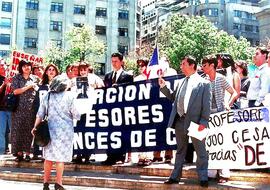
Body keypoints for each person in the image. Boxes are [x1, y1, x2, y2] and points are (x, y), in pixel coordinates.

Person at [160, 56, 211, 187]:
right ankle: (175, 176)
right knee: (180, 150)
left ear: (192, 65)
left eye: (183, 64)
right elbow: (173, 98)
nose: (181, 66)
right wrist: (164, 87)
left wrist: (204, 122)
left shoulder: (204, 83)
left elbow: (207, 105)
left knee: (200, 151)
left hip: (196, 123)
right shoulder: (180, 82)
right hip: (180, 121)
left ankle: (203, 177)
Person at [31, 75, 80, 190]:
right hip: (65, 132)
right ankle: (58, 183)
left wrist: (35, 127)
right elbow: (77, 114)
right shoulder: (70, 96)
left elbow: (40, 113)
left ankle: (45, 183)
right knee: (60, 159)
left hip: (49, 131)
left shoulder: (48, 96)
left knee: (48, 158)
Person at [201, 54, 238, 183]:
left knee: (223, 144)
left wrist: (229, 103)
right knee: (210, 144)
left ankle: (224, 173)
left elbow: (234, 92)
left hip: (221, 115)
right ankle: (211, 172)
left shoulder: (221, 78)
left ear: (212, 66)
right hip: (208, 116)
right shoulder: (203, 81)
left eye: (204, 65)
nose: (202, 68)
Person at [102, 52, 133, 165]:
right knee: (110, 133)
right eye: (112, 61)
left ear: (121, 62)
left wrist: (118, 87)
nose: (114, 63)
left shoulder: (128, 76)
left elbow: (131, 92)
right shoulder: (108, 76)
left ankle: (120, 156)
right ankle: (109, 155)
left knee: (121, 133)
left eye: (116, 61)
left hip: (122, 110)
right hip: (110, 110)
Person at [11, 60, 39, 162]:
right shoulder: (16, 78)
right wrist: (28, 86)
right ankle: (19, 153)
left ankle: (28, 153)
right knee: (18, 131)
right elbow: (15, 91)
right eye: (24, 66)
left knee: (29, 131)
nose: (27, 68)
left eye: (28, 66)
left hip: (31, 109)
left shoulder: (35, 78)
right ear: (21, 67)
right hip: (18, 109)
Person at [32, 63, 59, 160]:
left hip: (57, 116)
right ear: (46, 72)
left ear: (56, 72)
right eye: (49, 69)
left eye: (53, 70)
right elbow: (38, 103)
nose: (51, 71)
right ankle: (40, 154)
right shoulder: (41, 86)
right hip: (43, 115)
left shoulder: (60, 85)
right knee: (42, 134)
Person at [0, 60, 11, 155]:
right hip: (1, 109)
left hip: (12, 109)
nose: (3, 67)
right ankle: (2, 150)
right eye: (1, 65)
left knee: (12, 130)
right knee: (1, 130)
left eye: (4, 65)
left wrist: (9, 84)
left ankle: (15, 151)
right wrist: (4, 84)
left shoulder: (12, 77)